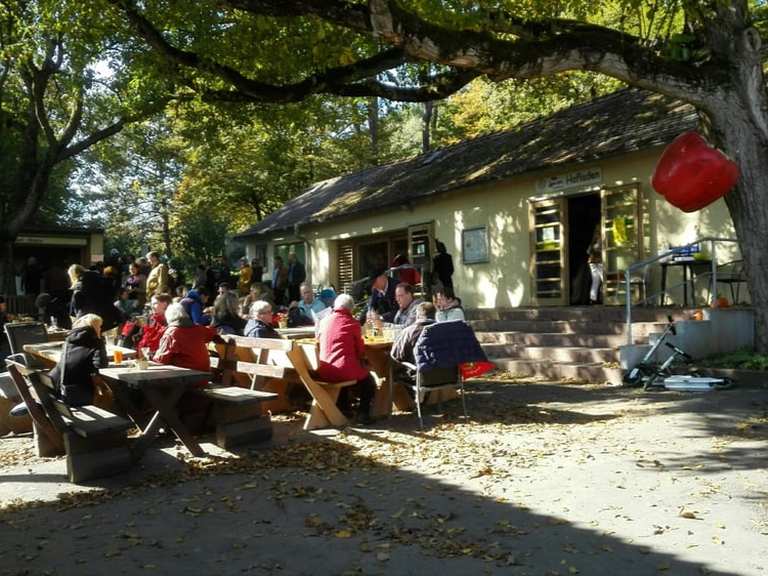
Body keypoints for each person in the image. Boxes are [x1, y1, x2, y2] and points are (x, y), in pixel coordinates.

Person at [317, 294, 375, 423]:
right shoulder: (353, 323)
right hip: (342, 370)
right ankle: (363, 413)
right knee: (368, 382)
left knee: (345, 370)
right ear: (351, 309)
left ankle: (344, 408)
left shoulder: (324, 321)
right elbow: (360, 351)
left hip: (324, 369)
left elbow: (318, 341)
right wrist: (365, 361)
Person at [49, 314, 107, 407]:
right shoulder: (95, 341)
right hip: (76, 392)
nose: (101, 329)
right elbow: (101, 364)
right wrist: (101, 343)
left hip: (56, 386)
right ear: (95, 327)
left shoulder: (69, 340)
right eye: (100, 327)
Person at [154, 303, 218, 374]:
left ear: (168, 317)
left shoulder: (171, 333)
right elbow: (212, 333)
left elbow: (161, 359)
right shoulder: (198, 329)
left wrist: (150, 356)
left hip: (185, 377)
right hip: (204, 376)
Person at [390, 302, 437, 386]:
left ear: (417, 316)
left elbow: (396, 355)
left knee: (393, 369)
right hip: (448, 375)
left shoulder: (409, 331)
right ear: (435, 314)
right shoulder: (444, 330)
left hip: (420, 376)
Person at [68, 264, 121, 331]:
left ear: (73, 276)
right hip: (109, 315)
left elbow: (76, 306)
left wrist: (75, 319)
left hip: (90, 319)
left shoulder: (78, 286)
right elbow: (112, 294)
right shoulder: (101, 279)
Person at [587, 224, 603, 304]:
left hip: (592, 262)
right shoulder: (601, 238)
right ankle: (605, 298)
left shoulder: (593, 239)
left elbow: (588, 251)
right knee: (603, 279)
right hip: (599, 261)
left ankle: (593, 299)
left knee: (595, 281)